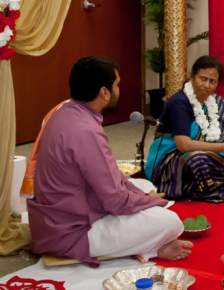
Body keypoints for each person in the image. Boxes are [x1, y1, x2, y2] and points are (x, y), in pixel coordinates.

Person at [27, 56, 190, 266]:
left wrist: (142, 195)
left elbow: (109, 178)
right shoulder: (86, 131)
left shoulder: (64, 111)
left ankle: (147, 243)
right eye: (117, 85)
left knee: (142, 185)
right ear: (104, 92)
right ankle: (151, 248)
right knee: (170, 222)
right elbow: (115, 201)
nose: (118, 90)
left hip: (59, 215)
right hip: (70, 232)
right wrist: (152, 201)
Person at [145, 55, 224, 202]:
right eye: (202, 78)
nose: (206, 85)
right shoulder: (179, 103)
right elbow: (183, 145)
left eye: (212, 81)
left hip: (205, 148)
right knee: (197, 160)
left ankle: (216, 180)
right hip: (169, 158)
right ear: (192, 77)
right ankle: (218, 181)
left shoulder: (213, 101)